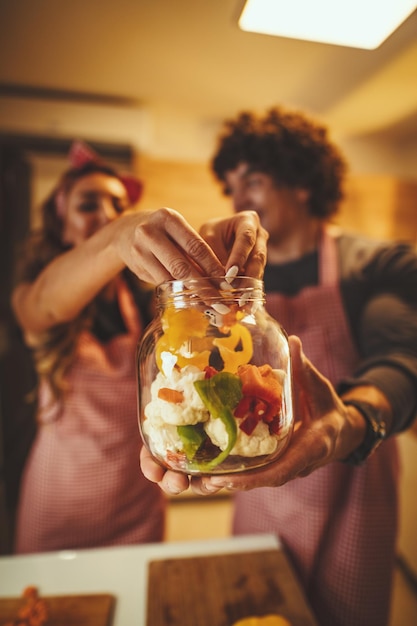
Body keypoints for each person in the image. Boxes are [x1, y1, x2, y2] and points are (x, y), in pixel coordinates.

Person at [140, 108, 417, 626]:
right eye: (232, 186)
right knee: (259, 609)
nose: (240, 199)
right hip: (259, 479)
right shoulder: (228, 288)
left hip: (353, 485)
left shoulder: (368, 266)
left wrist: (352, 420)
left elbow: (402, 359)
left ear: (304, 184)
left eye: (256, 180)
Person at [11, 140, 267, 554]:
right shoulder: (38, 293)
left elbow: (203, 329)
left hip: (137, 497)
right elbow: (44, 306)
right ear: (60, 221)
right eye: (88, 205)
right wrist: (117, 236)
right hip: (62, 500)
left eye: (116, 205)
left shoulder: (147, 302)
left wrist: (215, 263)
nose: (106, 214)